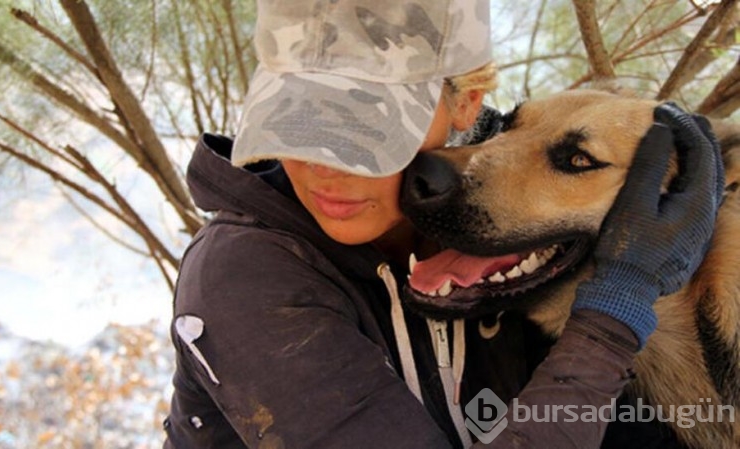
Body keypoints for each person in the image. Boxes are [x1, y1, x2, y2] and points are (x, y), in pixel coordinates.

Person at [162, 1, 724, 448]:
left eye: (362, 125)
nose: (320, 166)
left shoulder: (482, 231)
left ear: (466, 103)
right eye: (298, 120)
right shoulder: (243, 276)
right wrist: (612, 314)